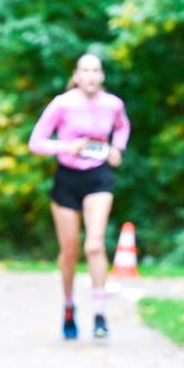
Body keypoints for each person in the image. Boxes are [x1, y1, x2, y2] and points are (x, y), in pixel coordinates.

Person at [28, 53, 130, 340]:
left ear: (102, 76)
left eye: (95, 70)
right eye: (85, 70)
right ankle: (69, 306)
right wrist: (66, 146)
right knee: (70, 251)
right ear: (77, 74)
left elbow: (122, 128)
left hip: (98, 177)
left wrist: (116, 149)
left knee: (94, 246)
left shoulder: (113, 104)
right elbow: (36, 142)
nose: (90, 76)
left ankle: (99, 314)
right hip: (67, 180)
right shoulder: (63, 103)